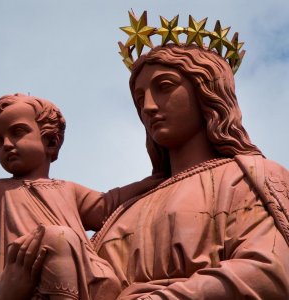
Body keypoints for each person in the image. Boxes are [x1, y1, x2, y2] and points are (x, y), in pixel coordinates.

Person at [91, 43, 289, 299]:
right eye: (140, 99)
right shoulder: (123, 211)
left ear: (206, 91)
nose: (148, 107)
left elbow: (270, 271)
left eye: (164, 87)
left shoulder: (248, 177)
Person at [0, 93, 159, 300]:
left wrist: (156, 180)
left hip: (80, 276)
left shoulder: (67, 189)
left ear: (51, 141)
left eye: (17, 133)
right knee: (57, 236)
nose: (7, 145)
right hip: (26, 280)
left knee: (59, 237)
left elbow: (109, 205)